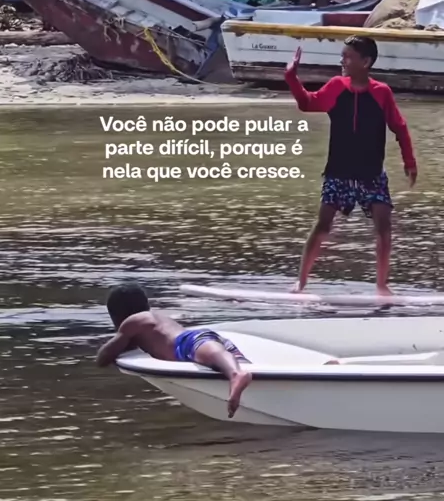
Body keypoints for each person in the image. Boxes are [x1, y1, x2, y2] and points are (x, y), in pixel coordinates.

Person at [284, 36, 418, 296]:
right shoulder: (336, 86)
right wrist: (291, 77)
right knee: (323, 226)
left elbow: (399, 128)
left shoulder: (381, 92)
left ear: (365, 62)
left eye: (348, 57)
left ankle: (382, 285)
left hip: (371, 174)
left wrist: (409, 162)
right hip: (339, 172)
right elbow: (308, 103)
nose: (342, 61)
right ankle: (300, 282)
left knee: (384, 227)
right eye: (342, 55)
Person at [96, 283, 252, 418]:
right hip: (204, 339)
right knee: (240, 364)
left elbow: (105, 356)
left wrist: (116, 340)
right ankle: (241, 376)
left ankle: (236, 374)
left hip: (188, 343)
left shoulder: (131, 323)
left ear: (117, 315)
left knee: (222, 361)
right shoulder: (153, 319)